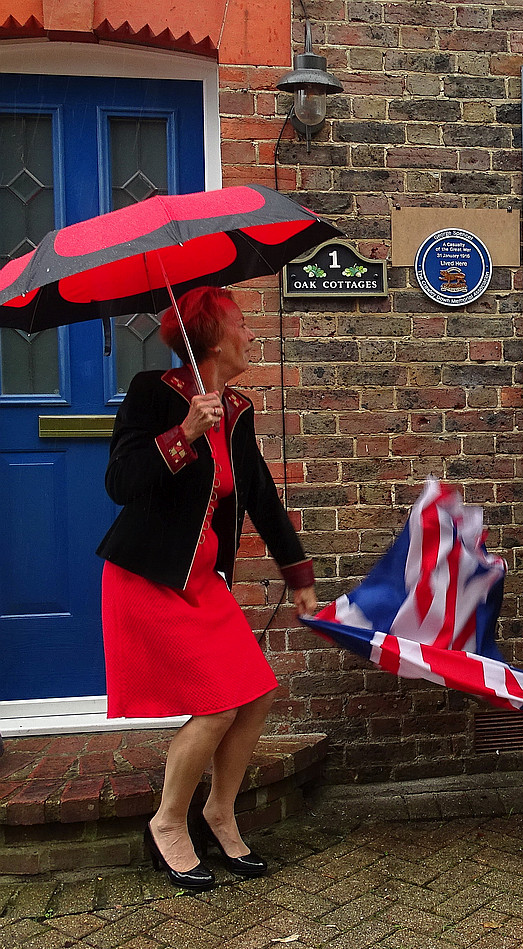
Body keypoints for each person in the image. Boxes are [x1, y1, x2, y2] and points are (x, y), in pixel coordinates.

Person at [97, 286, 317, 892]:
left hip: (204, 582)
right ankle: (169, 821)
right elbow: (121, 482)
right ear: (214, 337)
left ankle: (219, 809)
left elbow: (264, 500)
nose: (250, 333)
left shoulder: (239, 409)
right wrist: (185, 434)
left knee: (258, 692)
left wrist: (297, 575)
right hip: (149, 575)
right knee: (218, 701)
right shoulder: (153, 394)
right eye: (241, 322)